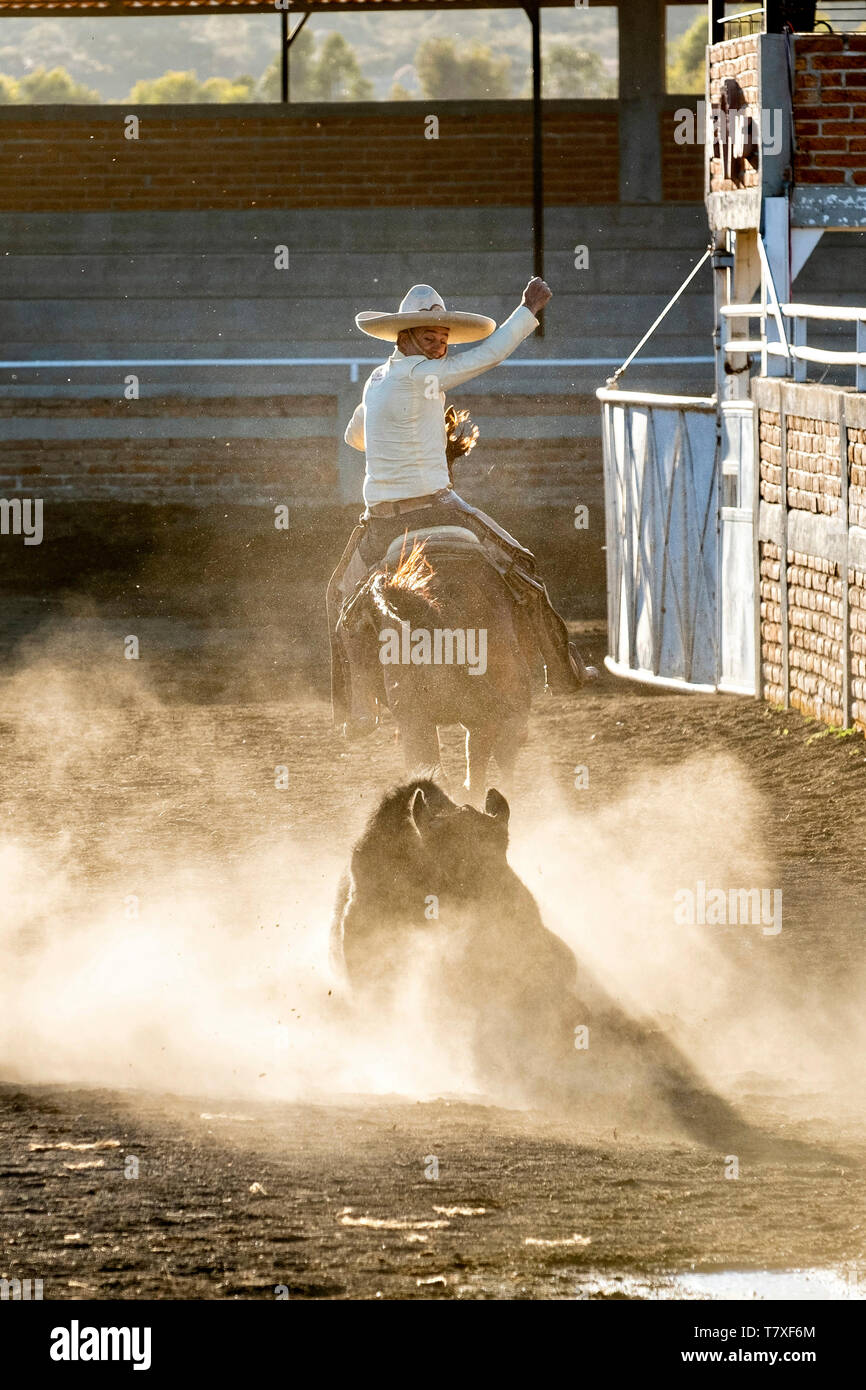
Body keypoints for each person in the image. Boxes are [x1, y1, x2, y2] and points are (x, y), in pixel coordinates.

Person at [327, 278, 596, 737]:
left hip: (380, 522)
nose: (439, 345)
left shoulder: (377, 380)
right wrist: (528, 311)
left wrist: (402, 433)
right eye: (430, 337)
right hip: (437, 509)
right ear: (405, 336)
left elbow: (356, 437)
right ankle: (562, 666)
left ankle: (356, 709)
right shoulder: (423, 376)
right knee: (521, 565)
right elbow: (488, 355)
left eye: (443, 337)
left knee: (338, 596)